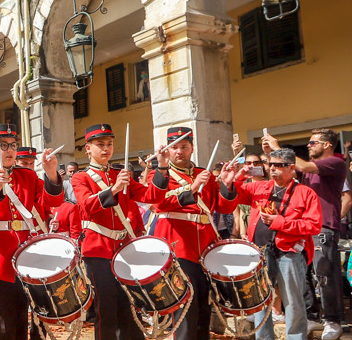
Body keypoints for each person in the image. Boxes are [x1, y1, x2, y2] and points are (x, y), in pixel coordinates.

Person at [0, 123, 62, 340]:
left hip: (27, 255)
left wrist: (51, 174)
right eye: (3, 145)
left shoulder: (28, 177)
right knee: (0, 324)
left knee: (25, 316)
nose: (9, 150)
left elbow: (51, 202)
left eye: (13, 145)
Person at [221, 148, 322, 340]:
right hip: (259, 252)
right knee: (260, 301)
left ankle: (296, 338)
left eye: (278, 165)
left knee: (293, 300)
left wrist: (279, 222)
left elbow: (314, 225)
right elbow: (234, 196)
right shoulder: (259, 187)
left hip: (289, 252)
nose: (272, 169)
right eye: (270, 164)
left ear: (291, 168)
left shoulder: (305, 192)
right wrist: (237, 178)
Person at [143, 126, 230, 340]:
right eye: (174, 147)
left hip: (206, 248)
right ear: (168, 150)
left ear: (192, 148)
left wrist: (228, 183)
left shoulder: (204, 174)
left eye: (184, 146)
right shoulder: (159, 176)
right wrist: (191, 189)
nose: (179, 151)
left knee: (204, 306)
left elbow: (223, 207)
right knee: (185, 308)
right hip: (177, 246)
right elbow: (158, 203)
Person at [261, 128, 348, 339]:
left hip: (324, 225)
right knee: (304, 275)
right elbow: (285, 171)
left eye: (312, 142)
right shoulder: (308, 169)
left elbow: (300, 165)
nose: (308, 146)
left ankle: (333, 320)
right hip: (301, 226)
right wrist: (271, 156)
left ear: (327, 144)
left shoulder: (335, 162)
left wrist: (278, 147)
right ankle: (311, 316)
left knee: (324, 274)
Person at [70, 124, 150, 340]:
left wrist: (159, 169)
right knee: (106, 309)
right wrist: (114, 188)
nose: (106, 149)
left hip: (124, 249)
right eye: (100, 145)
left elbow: (148, 195)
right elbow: (86, 205)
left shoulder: (119, 173)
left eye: (109, 144)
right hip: (98, 250)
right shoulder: (80, 177)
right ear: (88, 148)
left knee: (130, 305)